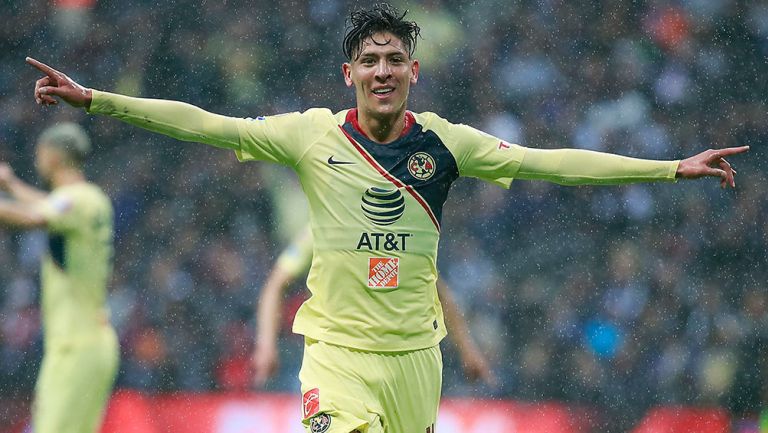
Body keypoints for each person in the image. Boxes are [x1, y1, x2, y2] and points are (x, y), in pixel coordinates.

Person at [26, 4, 747, 432]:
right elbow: (205, 123)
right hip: (336, 355)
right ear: (349, 74)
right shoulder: (311, 134)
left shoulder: (446, 144)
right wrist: (100, 100)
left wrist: (669, 168)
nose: (381, 70)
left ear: (412, 72)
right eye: (369, 59)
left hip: (414, 361)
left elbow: (549, 160)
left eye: (394, 59)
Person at [252, 226, 495, 388]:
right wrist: (266, 345)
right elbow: (275, 285)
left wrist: (467, 349)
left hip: (395, 362)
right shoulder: (323, 229)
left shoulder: (396, 230)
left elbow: (437, 291)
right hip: (337, 360)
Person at [0, 123, 119, 433]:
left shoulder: (77, 199)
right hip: (87, 343)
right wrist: (11, 185)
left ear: (52, 156)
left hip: (75, 346)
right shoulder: (88, 200)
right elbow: (46, 206)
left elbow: (34, 216)